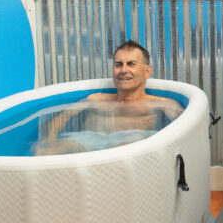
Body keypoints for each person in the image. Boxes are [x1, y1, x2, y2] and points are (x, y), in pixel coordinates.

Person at [33, 40, 183, 155]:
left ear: (147, 71)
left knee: (124, 149)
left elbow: (182, 128)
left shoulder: (162, 104)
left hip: (132, 145)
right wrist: (50, 139)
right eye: (118, 65)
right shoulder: (96, 100)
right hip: (88, 142)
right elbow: (60, 118)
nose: (124, 70)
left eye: (131, 64)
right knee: (43, 151)